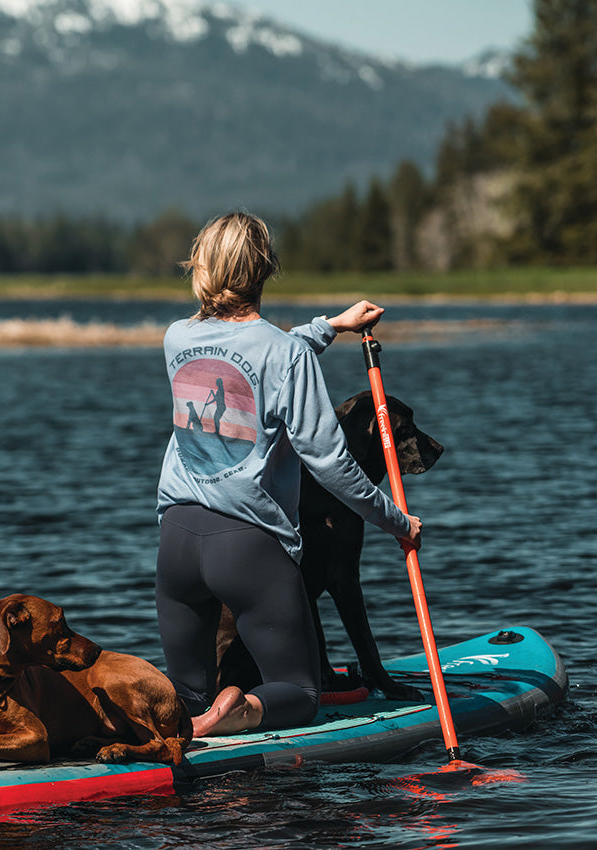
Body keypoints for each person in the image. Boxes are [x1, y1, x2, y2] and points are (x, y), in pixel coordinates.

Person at [155, 212, 422, 738]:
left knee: (186, 696)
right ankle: (241, 710)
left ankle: (198, 716)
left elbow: (254, 354)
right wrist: (397, 523)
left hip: (178, 542)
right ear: (266, 270)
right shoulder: (288, 355)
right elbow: (331, 463)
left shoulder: (175, 339)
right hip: (245, 547)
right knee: (300, 694)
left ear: (201, 269)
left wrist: (331, 326)